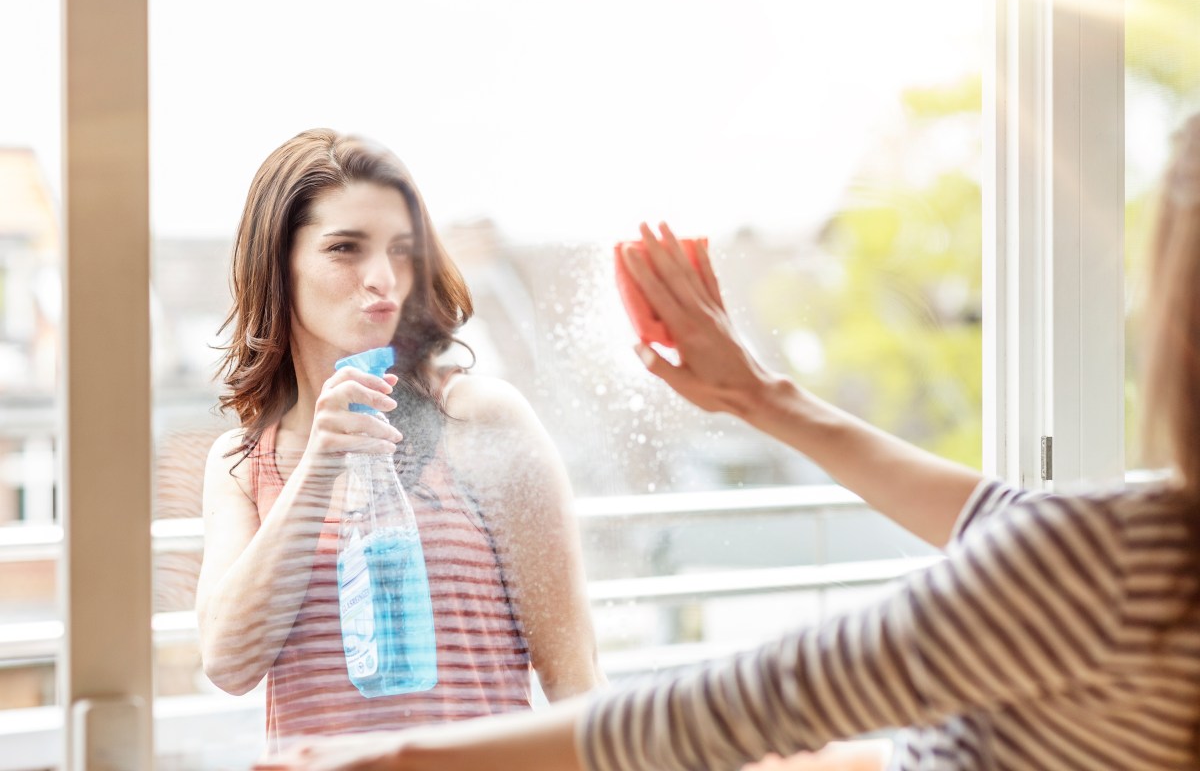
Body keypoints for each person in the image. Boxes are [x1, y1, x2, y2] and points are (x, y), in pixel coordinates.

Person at [255, 115, 1200, 771]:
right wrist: (760, 396)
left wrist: (398, 754)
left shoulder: (1130, 559)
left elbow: (756, 701)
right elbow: (1018, 521)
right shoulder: (1141, 549)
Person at [194, 129, 603, 753]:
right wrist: (320, 466)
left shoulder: (480, 420)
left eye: (403, 250)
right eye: (345, 248)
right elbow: (229, 664)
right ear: (277, 264)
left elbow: (574, 678)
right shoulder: (241, 464)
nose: (382, 278)